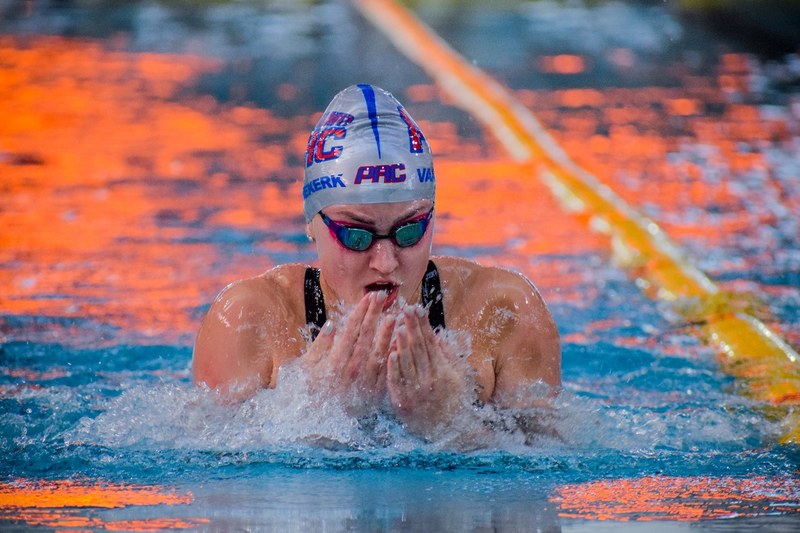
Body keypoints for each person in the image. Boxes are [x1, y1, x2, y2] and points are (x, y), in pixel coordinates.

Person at [193, 84, 560, 442]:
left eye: (409, 232)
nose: (385, 263)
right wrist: (316, 416)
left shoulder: (503, 312)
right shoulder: (250, 321)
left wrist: (451, 424)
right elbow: (213, 471)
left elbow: (551, 468)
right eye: (357, 236)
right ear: (312, 224)